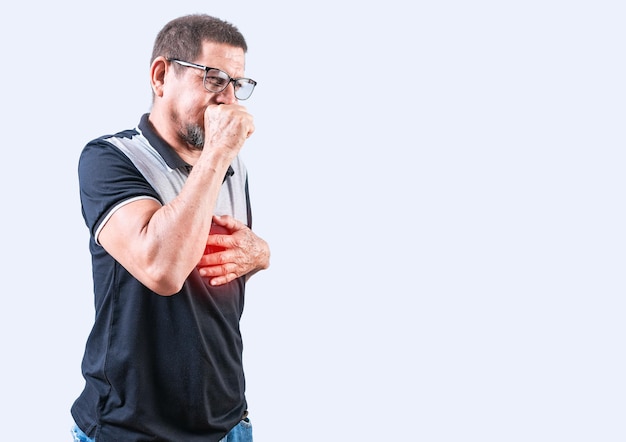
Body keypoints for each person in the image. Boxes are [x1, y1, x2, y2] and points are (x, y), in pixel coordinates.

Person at [70, 14, 270, 442]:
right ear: (161, 76)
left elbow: (210, 266)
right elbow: (163, 269)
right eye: (214, 79)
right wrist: (219, 152)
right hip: (130, 430)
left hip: (228, 423)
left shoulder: (232, 167)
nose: (229, 99)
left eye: (238, 83)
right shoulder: (110, 159)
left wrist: (261, 254)